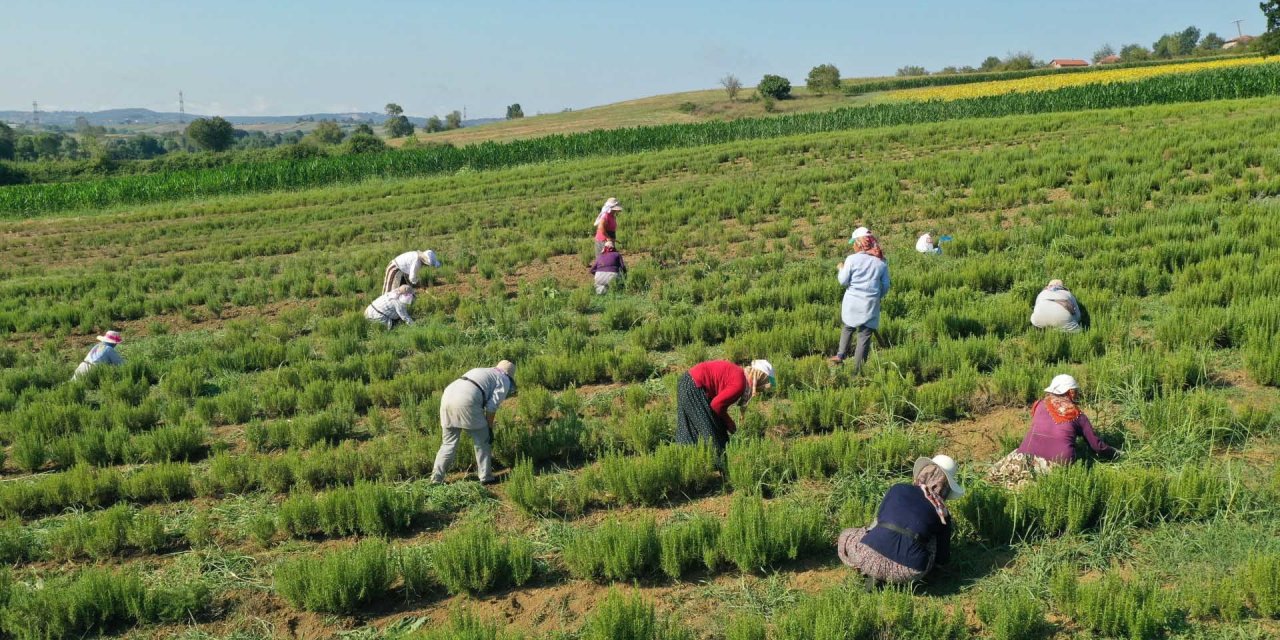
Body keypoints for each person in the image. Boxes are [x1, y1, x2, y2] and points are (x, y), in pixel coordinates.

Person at [837, 454, 963, 589]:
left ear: (922, 473)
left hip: (867, 557)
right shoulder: (942, 512)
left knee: (847, 534)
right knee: (931, 537)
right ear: (945, 487)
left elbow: (879, 521)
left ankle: (869, 569)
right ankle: (889, 577)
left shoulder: (897, 488)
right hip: (907, 572)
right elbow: (942, 558)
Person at [988, 374, 1117, 488]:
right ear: (1070, 392)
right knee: (1038, 488)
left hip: (1023, 459)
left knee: (997, 478)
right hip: (1056, 468)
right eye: (1075, 391)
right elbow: (1096, 446)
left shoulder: (1039, 404)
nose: (1077, 394)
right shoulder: (1078, 416)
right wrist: (1115, 454)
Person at [432, 361, 517, 485]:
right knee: (483, 441)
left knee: (448, 444)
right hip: (467, 401)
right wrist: (489, 427)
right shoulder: (504, 379)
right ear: (510, 374)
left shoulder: (482, 370)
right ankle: (486, 477)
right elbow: (492, 406)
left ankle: (436, 479)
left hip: (447, 397)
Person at [675, 359, 775, 453]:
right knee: (713, 436)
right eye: (764, 384)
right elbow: (716, 405)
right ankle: (721, 465)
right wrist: (729, 422)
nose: (761, 389)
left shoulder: (740, 375)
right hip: (695, 387)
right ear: (760, 379)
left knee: (690, 429)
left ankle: (687, 456)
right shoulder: (739, 384)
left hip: (687, 381)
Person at [831, 227, 890, 373]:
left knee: (848, 326)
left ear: (859, 243)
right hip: (870, 304)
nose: (852, 246)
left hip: (852, 302)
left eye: (854, 243)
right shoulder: (881, 263)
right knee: (864, 335)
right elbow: (885, 286)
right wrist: (876, 295)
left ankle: (840, 355)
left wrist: (840, 268)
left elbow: (844, 281)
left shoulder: (851, 259)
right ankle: (857, 372)